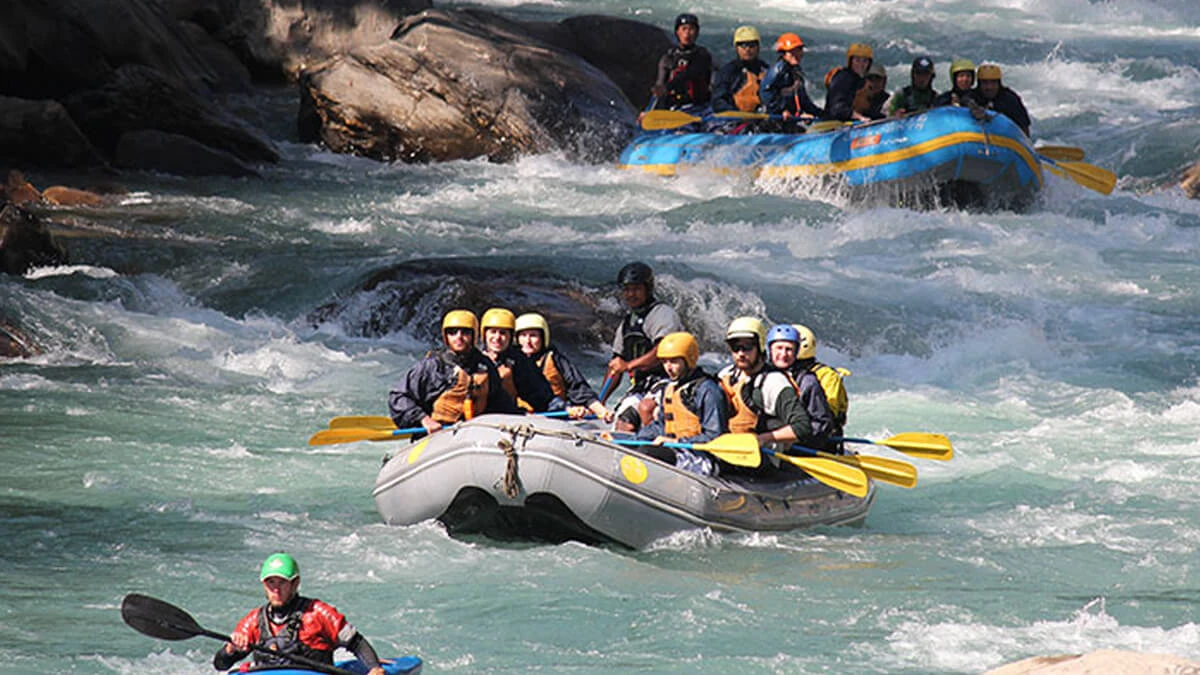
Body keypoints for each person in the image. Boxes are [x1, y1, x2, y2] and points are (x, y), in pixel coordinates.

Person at [214, 553, 386, 675]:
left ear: (295, 583)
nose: (276, 589)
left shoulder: (318, 613)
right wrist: (230, 650)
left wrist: (374, 668)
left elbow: (356, 642)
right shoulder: (252, 622)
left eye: (282, 582)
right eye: (270, 582)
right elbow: (220, 665)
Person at [388, 309, 521, 433]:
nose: (459, 337)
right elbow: (398, 397)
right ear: (446, 336)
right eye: (453, 332)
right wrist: (424, 419)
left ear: (474, 335)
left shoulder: (485, 366)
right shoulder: (432, 366)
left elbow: (501, 403)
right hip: (439, 433)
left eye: (465, 332)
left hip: (474, 433)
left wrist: (521, 417)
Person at [635, 331, 729, 476]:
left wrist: (675, 440)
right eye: (665, 362)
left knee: (647, 453)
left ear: (689, 360)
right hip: (675, 448)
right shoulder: (670, 388)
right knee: (636, 448)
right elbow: (661, 424)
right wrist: (637, 438)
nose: (668, 367)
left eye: (674, 361)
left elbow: (714, 436)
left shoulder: (708, 390)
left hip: (700, 457)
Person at [607, 262, 685, 432]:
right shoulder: (627, 324)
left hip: (670, 382)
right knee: (624, 424)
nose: (630, 294)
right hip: (642, 386)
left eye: (636, 289)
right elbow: (615, 365)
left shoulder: (663, 314)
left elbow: (662, 352)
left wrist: (628, 366)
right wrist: (600, 401)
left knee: (647, 409)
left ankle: (652, 450)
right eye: (626, 289)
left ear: (647, 289)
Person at [514, 312, 613, 421]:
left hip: (556, 415)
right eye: (523, 335)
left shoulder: (555, 359)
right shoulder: (510, 361)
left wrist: (601, 411)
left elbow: (579, 390)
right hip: (521, 417)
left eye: (533, 335)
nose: (527, 341)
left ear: (543, 338)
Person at [764, 324, 839, 451]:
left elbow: (821, 424)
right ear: (769, 350)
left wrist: (795, 440)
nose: (783, 354)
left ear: (796, 352)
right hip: (767, 442)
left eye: (789, 349)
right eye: (779, 348)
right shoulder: (760, 376)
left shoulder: (807, 382)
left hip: (799, 447)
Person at [479, 307, 565, 413]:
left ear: (510, 337)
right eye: (493, 332)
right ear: (484, 335)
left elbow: (540, 394)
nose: (497, 337)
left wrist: (560, 407)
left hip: (504, 419)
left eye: (503, 333)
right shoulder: (473, 359)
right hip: (472, 420)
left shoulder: (519, 361)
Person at [648, 13, 713, 112]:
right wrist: (648, 111)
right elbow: (660, 85)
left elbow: (689, 74)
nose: (687, 33)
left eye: (691, 29)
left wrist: (668, 87)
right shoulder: (669, 57)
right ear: (677, 32)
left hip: (699, 106)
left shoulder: (702, 55)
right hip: (674, 107)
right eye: (684, 29)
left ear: (697, 32)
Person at [716, 316, 768, 434]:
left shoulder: (773, 381)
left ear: (760, 346)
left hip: (760, 448)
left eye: (747, 347)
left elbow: (801, 425)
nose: (741, 353)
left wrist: (764, 439)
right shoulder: (725, 375)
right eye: (735, 347)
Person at [758, 32, 823, 125]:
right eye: (792, 51)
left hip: (789, 121)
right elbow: (765, 92)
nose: (796, 54)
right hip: (774, 122)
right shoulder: (778, 70)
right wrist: (781, 110)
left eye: (799, 50)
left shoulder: (796, 73)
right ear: (784, 54)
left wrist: (822, 114)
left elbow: (803, 101)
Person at [711, 25, 769, 114]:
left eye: (752, 45)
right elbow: (718, 101)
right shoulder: (728, 71)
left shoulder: (766, 70)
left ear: (758, 47)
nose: (747, 49)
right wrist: (735, 114)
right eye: (743, 45)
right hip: (735, 119)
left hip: (762, 117)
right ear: (736, 48)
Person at [973, 63, 1031, 136]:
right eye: (985, 83)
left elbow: (1024, 127)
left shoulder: (1010, 99)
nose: (989, 87)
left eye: (993, 82)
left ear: (999, 83)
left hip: (1006, 139)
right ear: (979, 84)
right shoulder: (971, 97)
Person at [823, 43, 874, 122]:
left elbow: (868, 112)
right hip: (833, 125)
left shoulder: (862, 81)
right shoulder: (842, 78)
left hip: (849, 123)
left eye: (865, 61)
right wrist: (858, 117)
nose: (861, 64)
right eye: (857, 60)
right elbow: (837, 109)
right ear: (851, 61)